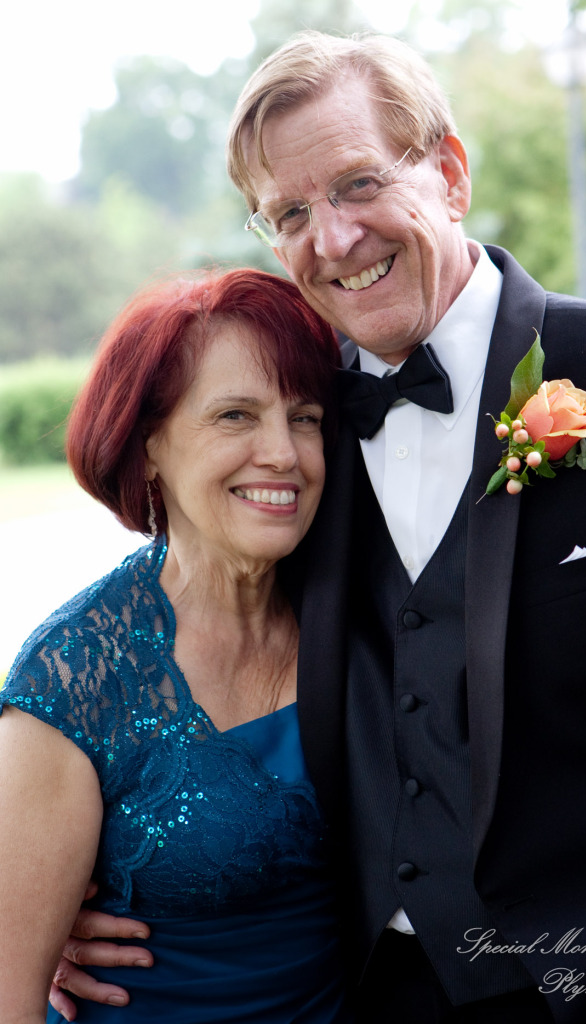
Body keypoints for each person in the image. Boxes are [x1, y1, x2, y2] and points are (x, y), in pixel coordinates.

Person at [52, 31, 586, 1024]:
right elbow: (191, 645)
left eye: (358, 184)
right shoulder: (297, 434)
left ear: (450, 174)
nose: (334, 238)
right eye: (291, 213)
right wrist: (77, 887)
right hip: (366, 997)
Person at [0, 267, 352, 1023]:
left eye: (305, 417)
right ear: (148, 443)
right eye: (235, 416)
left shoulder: (359, 609)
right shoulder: (76, 676)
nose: (283, 454)